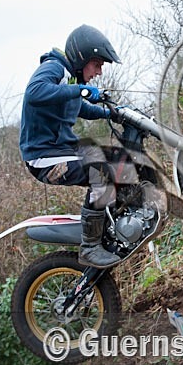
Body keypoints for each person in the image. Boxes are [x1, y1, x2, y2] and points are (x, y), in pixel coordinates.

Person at [19, 24, 126, 268]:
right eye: (97, 64)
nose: (99, 72)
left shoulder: (71, 79)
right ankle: (90, 247)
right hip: (44, 158)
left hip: (63, 150)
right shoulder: (54, 67)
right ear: (82, 57)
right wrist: (80, 89)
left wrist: (111, 113)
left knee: (119, 160)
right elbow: (34, 92)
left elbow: (80, 108)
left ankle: (111, 226)